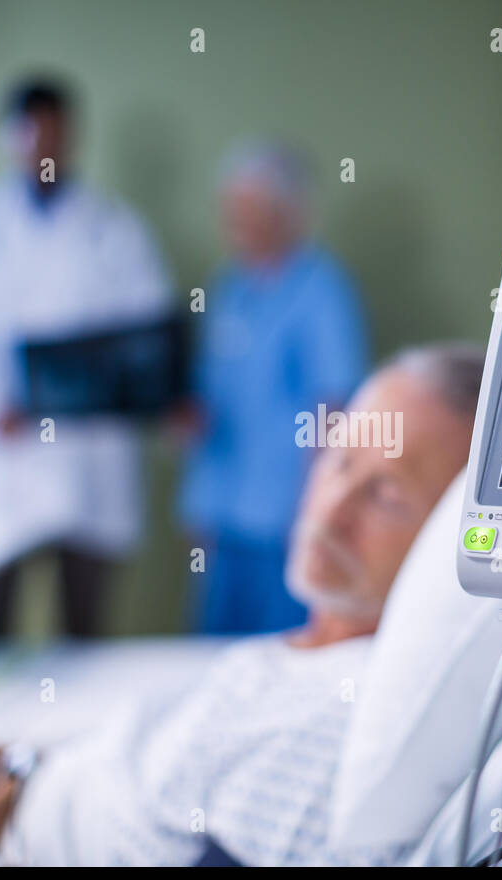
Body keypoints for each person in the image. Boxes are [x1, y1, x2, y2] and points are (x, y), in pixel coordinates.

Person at [0, 344, 484, 866]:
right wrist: (24, 770)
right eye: (340, 457)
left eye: (386, 493)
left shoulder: (340, 732)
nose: (332, 506)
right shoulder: (294, 658)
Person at [0, 77, 173, 639]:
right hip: (4, 462)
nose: (45, 149)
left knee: (83, 635)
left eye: (57, 135)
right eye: (32, 134)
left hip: (90, 462)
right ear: (7, 139)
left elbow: (148, 344)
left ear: (74, 138)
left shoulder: (118, 232)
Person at [177, 141, 369, 636]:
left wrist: (320, 513)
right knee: (215, 659)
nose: (235, 221)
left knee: (277, 658)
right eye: (231, 208)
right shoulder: (228, 289)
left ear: (288, 212)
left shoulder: (321, 290)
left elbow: (332, 409)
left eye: (249, 208)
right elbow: (211, 401)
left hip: (285, 520)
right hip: (224, 520)